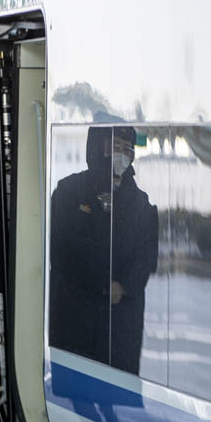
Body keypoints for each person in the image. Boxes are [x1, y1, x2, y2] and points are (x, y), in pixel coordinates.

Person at [49, 126, 158, 375]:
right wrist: (100, 285)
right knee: (74, 393)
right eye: (114, 145)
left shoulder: (141, 202)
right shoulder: (69, 191)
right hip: (76, 319)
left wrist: (125, 286)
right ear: (97, 145)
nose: (120, 153)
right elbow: (61, 251)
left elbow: (146, 257)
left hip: (120, 325)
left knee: (118, 393)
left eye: (126, 148)